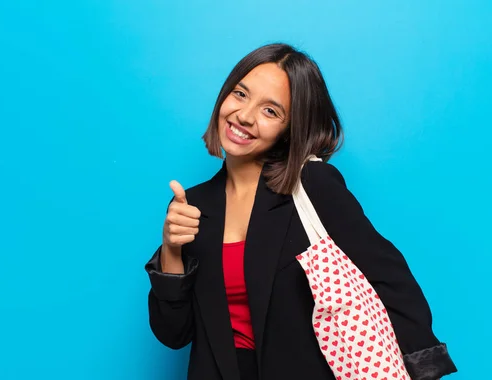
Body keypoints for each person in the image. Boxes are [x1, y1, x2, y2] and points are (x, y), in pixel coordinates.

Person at [144, 43, 457, 380]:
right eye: (240, 94)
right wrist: (172, 251)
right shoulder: (191, 206)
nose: (244, 116)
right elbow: (173, 335)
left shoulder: (311, 184)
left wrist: (423, 366)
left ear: (289, 128)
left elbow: (391, 279)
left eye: (270, 111)